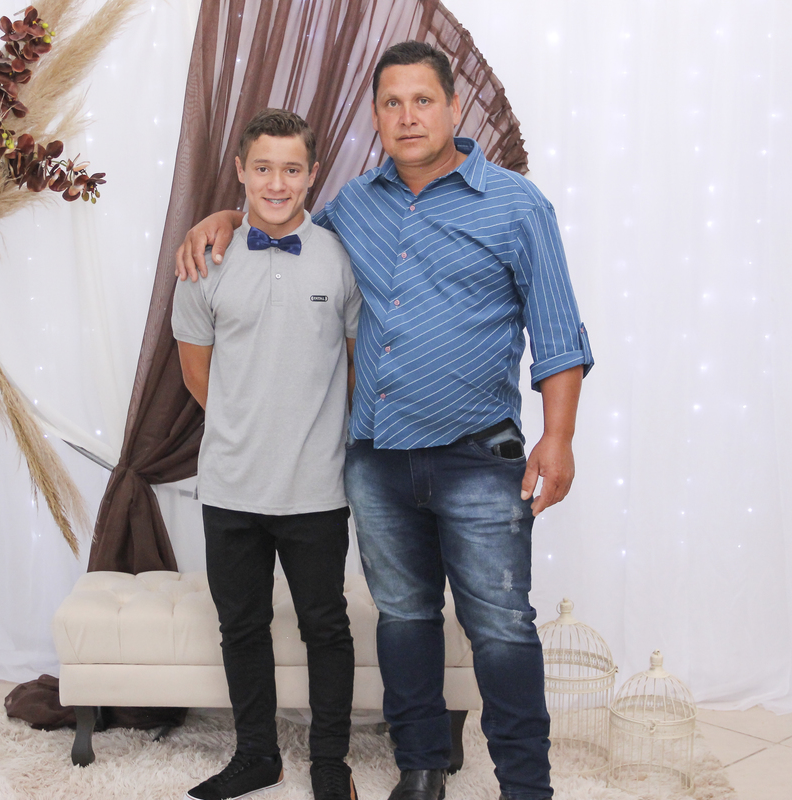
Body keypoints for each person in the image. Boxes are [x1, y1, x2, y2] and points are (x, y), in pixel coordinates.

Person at [176, 42, 593, 800]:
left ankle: (527, 787)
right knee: (403, 618)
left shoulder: (516, 204)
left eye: (423, 100)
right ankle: (421, 770)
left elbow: (558, 330)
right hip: (376, 460)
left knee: (501, 626)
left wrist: (557, 437)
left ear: (453, 108)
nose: (408, 116)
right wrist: (227, 216)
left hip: (479, 455)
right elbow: (283, 221)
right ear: (375, 117)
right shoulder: (353, 207)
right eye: (392, 103)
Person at [172, 108, 362, 800]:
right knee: (242, 626)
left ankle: (330, 763)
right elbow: (199, 376)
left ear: (312, 175)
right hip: (230, 484)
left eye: (291, 169)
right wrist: (248, 425)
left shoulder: (340, 257)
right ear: (240, 172)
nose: (276, 183)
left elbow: (352, 368)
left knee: (325, 627)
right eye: (262, 168)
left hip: (315, 487)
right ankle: (257, 756)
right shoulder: (204, 262)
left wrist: (305, 427)